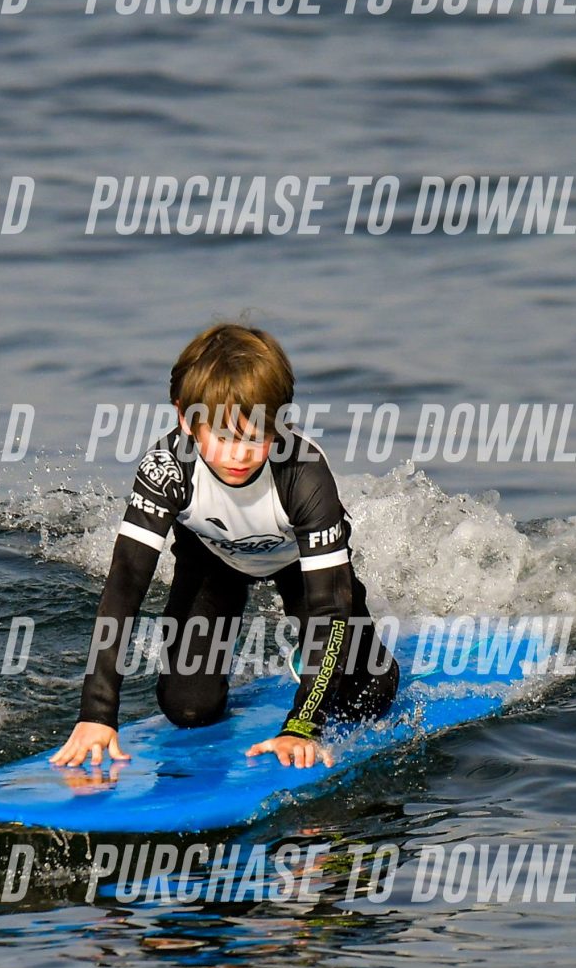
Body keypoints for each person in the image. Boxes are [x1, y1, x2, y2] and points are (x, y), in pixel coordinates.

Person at [52, 322, 398, 771]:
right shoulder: (167, 467)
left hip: (298, 565)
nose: (239, 454)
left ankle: (314, 663)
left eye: (255, 437)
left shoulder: (303, 472)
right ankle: (223, 658)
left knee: (367, 699)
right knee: (188, 709)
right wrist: (97, 714)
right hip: (212, 559)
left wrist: (301, 726)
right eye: (223, 437)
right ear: (186, 419)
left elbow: (330, 609)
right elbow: (125, 585)